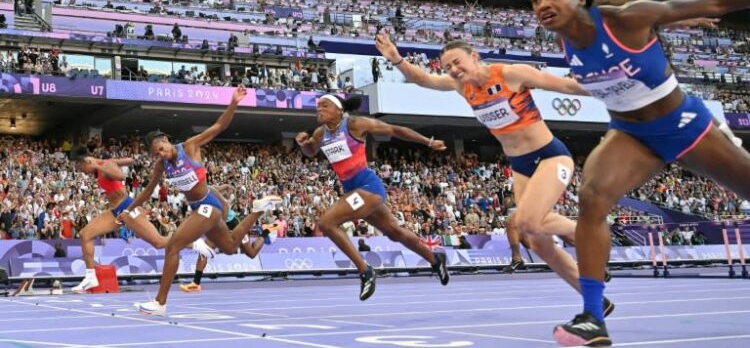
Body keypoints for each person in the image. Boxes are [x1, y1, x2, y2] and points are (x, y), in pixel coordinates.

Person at [529, 0, 750, 345]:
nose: (543, 5)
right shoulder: (563, 40)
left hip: (684, 126)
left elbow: (714, 4)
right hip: (630, 134)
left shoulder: (625, 19)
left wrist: (672, 18)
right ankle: (593, 318)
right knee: (592, 197)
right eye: (535, 0)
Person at [376, 31, 615, 315]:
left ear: (474, 56)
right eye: (447, 67)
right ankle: (593, 297)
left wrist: (614, 88)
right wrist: (398, 60)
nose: (453, 70)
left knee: (526, 221)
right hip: (520, 164)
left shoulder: (511, 74)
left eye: (457, 63)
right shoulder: (460, 86)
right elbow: (424, 79)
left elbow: (565, 85)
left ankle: (592, 237)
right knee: (536, 239)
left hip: (550, 156)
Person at [128, 86, 282, 315]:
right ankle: (258, 211)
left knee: (173, 246)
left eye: (161, 149)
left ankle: (160, 303)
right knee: (230, 247)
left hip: (210, 205)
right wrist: (129, 209)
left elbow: (219, 126)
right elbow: (149, 189)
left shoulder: (190, 147)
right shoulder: (162, 165)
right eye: (156, 153)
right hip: (200, 208)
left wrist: (233, 102)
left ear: (166, 141)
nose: (160, 154)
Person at [296, 94, 449, 301]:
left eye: (325, 105)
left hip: (368, 186)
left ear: (339, 110)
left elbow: (395, 130)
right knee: (395, 232)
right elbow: (311, 152)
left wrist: (428, 142)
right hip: (352, 190)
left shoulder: (356, 124)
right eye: (318, 106)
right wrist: (304, 144)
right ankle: (435, 259)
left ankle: (365, 271)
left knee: (326, 223)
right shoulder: (320, 133)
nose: (319, 109)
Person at [69, 147, 213, 293]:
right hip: (114, 212)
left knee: (158, 242)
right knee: (85, 234)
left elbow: (120, 176)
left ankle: (194, 243)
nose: (82, 171)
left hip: (128, 209)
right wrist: (126, 161)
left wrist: (107, 168)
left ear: (88, 161)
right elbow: (128, 161)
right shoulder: (105, 163)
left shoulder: (104, 166)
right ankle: (90, 277)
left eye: (81, 167)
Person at [180, 184, 274, 293]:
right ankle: (196, 283)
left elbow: (224, 206)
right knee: (204, 251)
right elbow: (218, 188)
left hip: (232, 223)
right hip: (215, 223)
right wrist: (226, 187)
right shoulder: (196, 197)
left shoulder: (204, 189)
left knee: (251, 253)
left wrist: (221, 228)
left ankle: (266, 231)